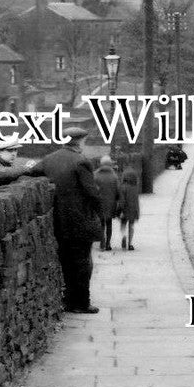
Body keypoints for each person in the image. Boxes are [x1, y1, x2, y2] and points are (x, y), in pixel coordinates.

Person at [25, 127, 102, 314]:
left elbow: (31, 172)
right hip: (80, 220)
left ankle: (68, 302)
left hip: (59, 220)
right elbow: (92, 192)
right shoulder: (81, 161)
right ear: (80, 141)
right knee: (82, 263)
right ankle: (82, 303)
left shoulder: (49, 159)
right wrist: (102, 212)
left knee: (66, 262)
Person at [92, 155, 121, 252]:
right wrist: (117, 200)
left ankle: (102, 242)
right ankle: (108, 243)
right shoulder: (114, 176)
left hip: (99, 203)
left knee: (101, 223)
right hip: (110, 203)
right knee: (109, 223)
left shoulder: (95, 175)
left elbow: (92, 189)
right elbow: (118, 191)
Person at [118, 168, 141, 251]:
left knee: (123, 224)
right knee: (131, 226)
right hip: (133, 209)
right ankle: (130, 244)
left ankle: (124, 236)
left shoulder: (123, 187)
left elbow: (122, 200)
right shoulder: (135, 188)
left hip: (125, 209)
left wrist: (120, 209)